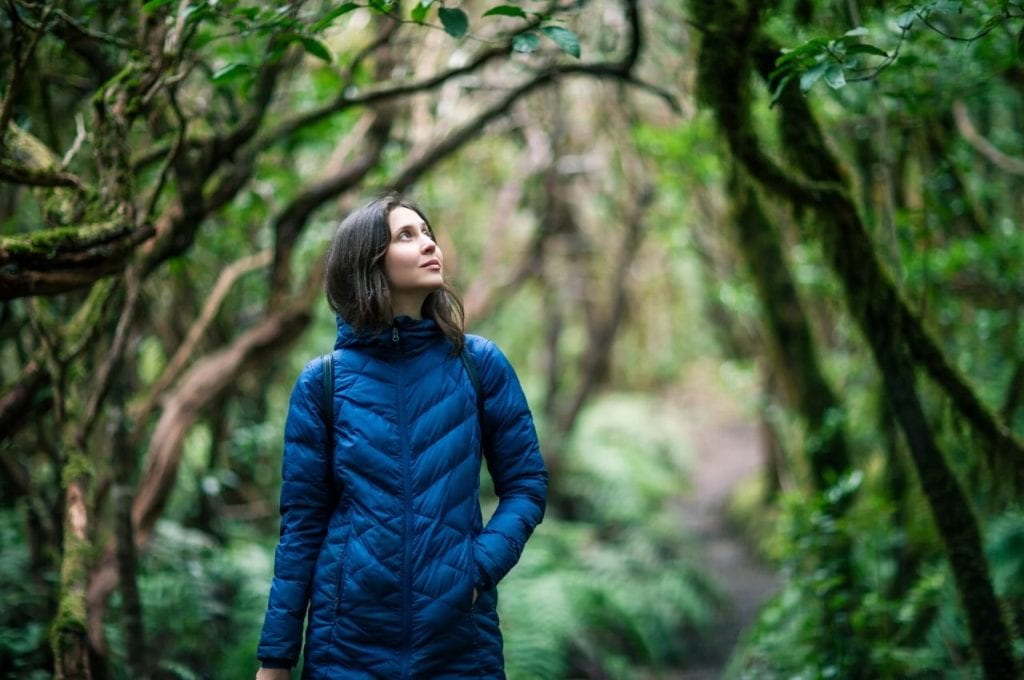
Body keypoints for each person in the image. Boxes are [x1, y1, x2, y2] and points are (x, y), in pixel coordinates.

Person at [255, 195, 548, 679]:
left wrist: (476, 569)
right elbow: (303, 527)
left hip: (458, 645)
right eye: (406, 235)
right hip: (345, 645)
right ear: (366, 262)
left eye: (426, 231)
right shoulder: (323, 383)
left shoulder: (478, 364)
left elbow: (526, 485)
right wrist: (275, 658)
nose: (429, 242)